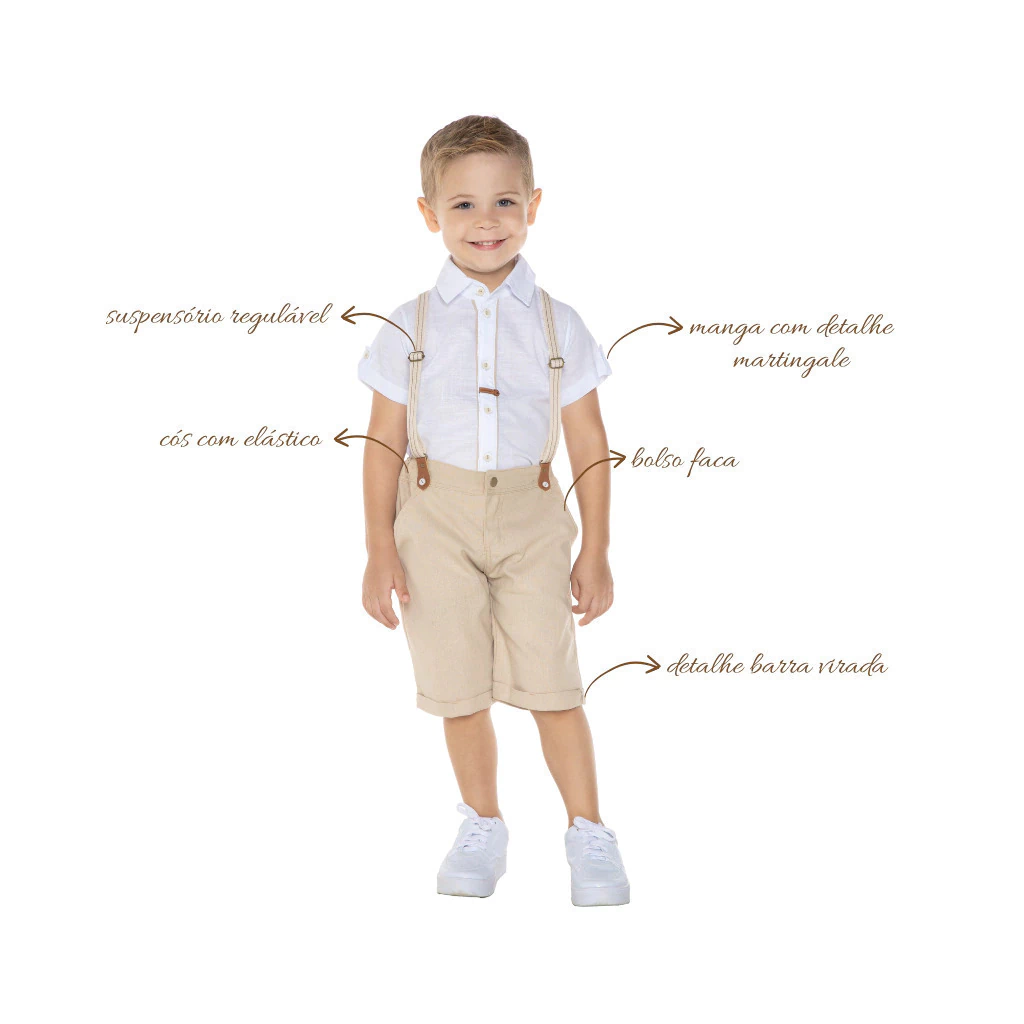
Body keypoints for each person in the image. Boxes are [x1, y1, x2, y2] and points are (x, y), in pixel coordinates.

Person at [356, 114, 629, 906]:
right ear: (429, 213)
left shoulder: (558, 323)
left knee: (554, 683)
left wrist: (597, 549)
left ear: (534, 205)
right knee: (458, 685)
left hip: (531, 520)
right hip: (432, 520)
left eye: (505, 201)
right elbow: (382, 445)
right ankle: (483, 821)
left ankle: (588, 830)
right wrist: (379, 548)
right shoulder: (408, 325)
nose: (487, 221)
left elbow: (590, 444)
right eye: (464, 205)